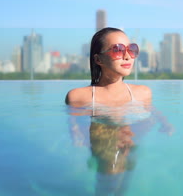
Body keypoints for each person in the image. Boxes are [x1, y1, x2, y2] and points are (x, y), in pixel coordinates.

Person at [65, 27, 172, 195]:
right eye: (118, 49)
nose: (127, 55)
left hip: (131, 140)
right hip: (105, 147)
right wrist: (75, 132)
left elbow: (152, 111)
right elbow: (74, 123)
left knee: (123, 185)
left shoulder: (143, 93)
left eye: (132, 49)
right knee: (109, 183)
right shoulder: (79, 97)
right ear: (98, 59)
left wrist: (165, 124)